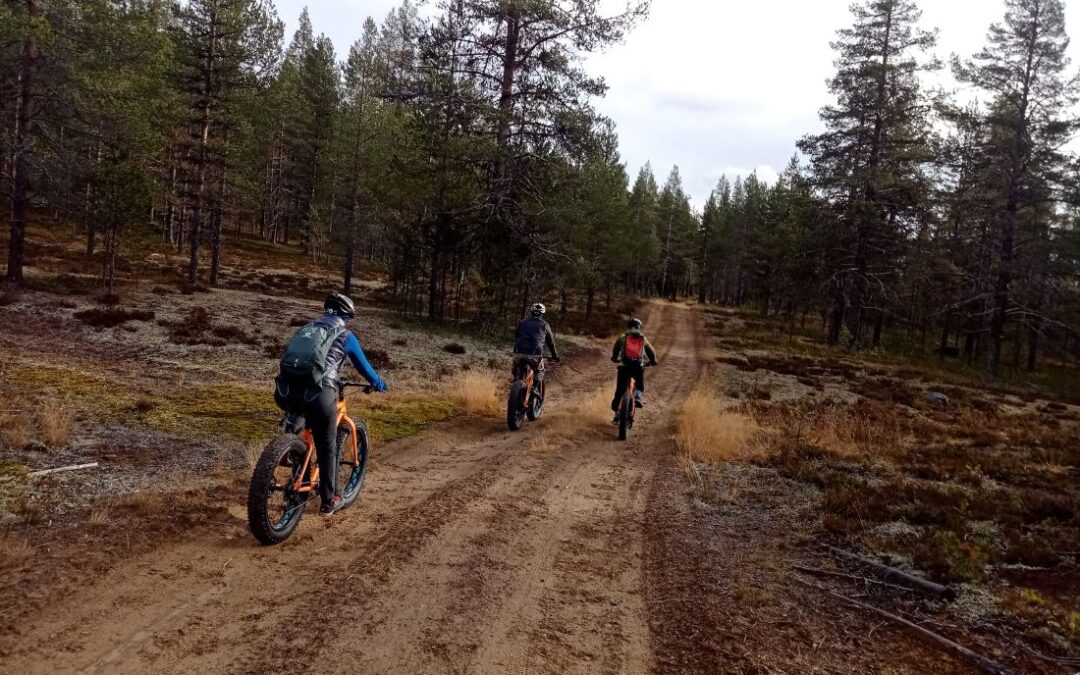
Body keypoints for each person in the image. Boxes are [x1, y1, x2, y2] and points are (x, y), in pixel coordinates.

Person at [274, 293, 388, 516]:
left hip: (284, 391)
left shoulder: (308, 329)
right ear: (347, 315)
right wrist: (379, 383)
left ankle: (290, 445)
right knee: (327, 444)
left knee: (302, 412)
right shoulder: (345, 335)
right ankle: (330, 500)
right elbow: (364, 367)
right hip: (319, 394)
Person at [610, 317, 658, 424]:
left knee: (620, 390)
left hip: (624, 367)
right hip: (637, 367)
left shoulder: (623, 336)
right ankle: (638, 398)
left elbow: (616, 348)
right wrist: (654, 361)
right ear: (639, 327)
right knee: (639, 385)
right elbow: (651, 351)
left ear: (629, 326)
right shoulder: (642, 338)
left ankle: (616, 414)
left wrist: (614, 358)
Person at [512, 303, 560, 393]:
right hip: (535, 354)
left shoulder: (522, 322)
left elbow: (517, 336)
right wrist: (555, 356)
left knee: (518, 369)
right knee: (539, 371)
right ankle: (534, 389)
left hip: (518, 352)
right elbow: (551, 343)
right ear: (542, 314)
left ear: (531, 312)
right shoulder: (544, 325)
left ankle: (515, 384)